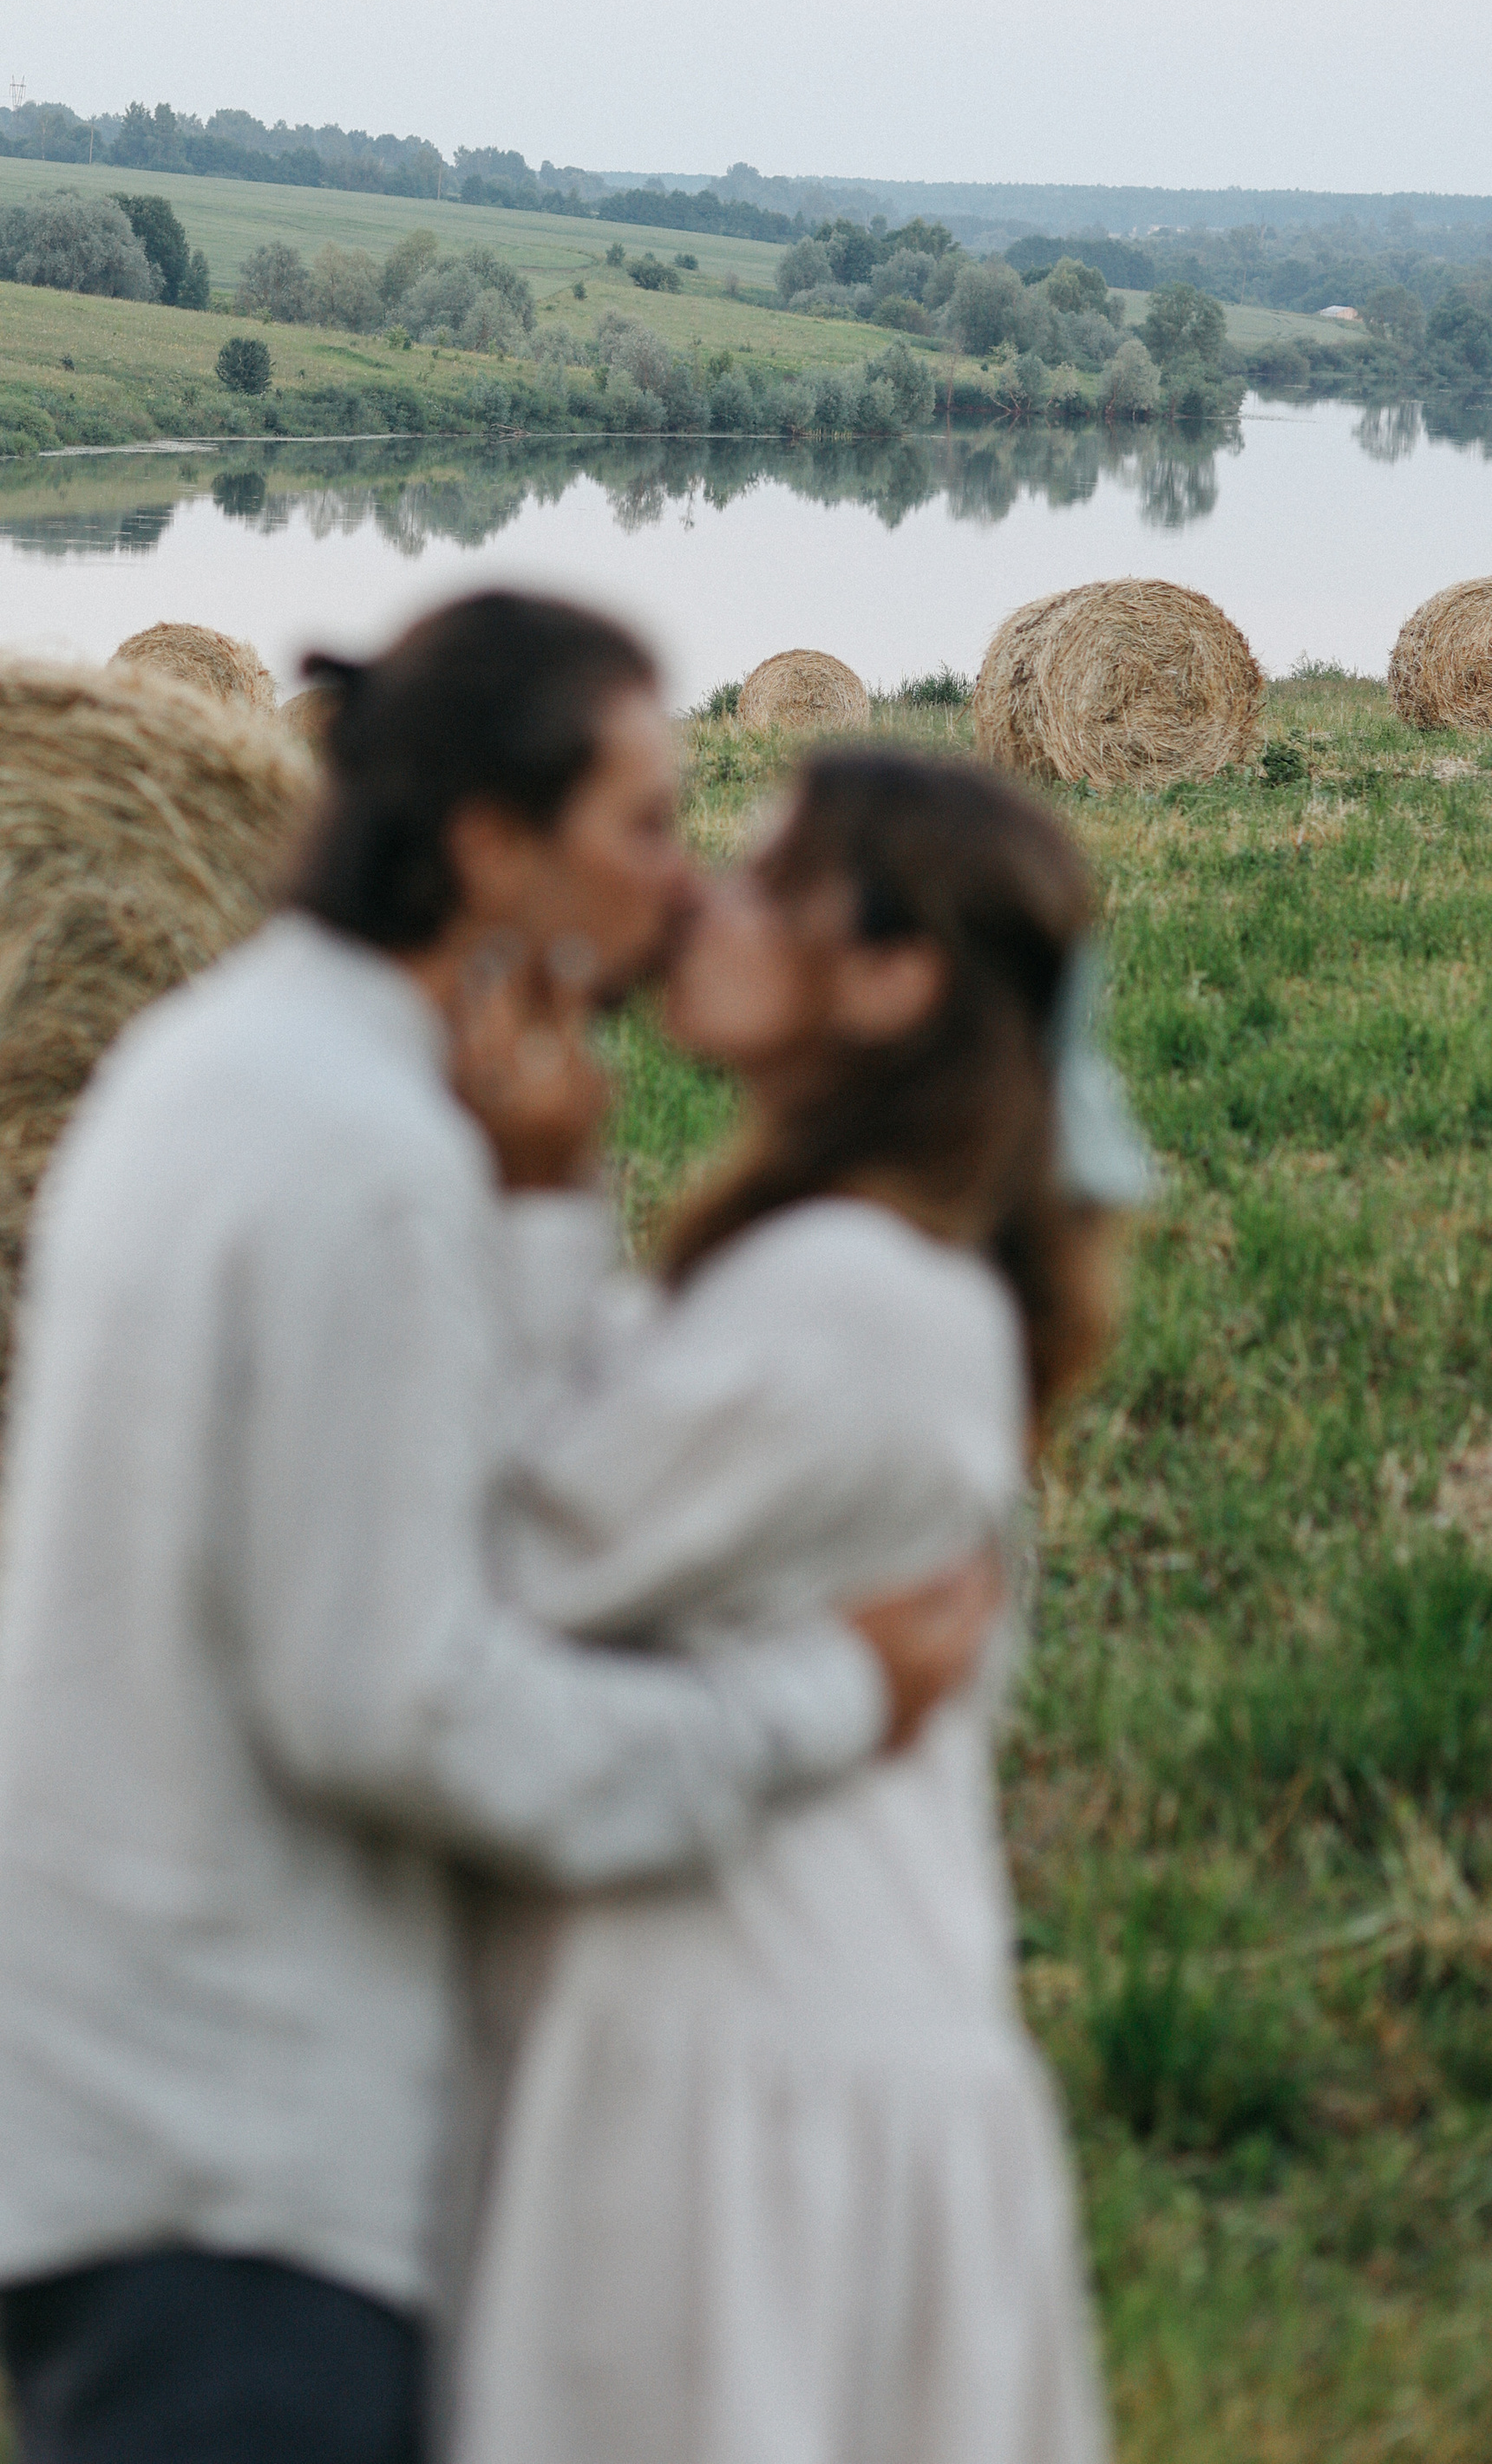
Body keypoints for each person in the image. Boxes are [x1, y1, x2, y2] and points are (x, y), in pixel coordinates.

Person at [0, 597, 1000, 2464]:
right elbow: (396, 1702)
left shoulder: (226, 1058)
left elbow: (419, 1532)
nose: (683, 880)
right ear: (488, 845)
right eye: (642, 823)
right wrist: (821, 1700)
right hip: (226, 2159)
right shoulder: (366, 1163)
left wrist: (541, 1214)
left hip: (132, 2095)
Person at [448, 746, 1154, 2464]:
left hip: (760, 2083)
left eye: (763, 880)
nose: (696, 895)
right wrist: (545, 1192)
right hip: (747, 2033)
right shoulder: (818, 1261)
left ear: (894, 973)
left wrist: (518, 1214)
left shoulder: (852, 1298)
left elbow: (496, 1561)